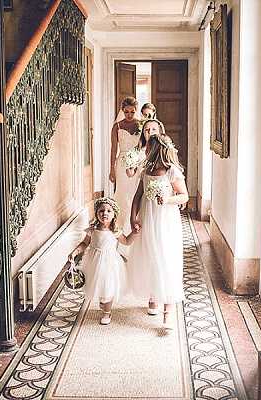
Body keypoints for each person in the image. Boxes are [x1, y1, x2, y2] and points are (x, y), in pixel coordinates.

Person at [129, 129, 189, 329]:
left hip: (165, 220)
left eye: (150, 148)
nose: (146, 151)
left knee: (166, 257)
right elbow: (138, 196)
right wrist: (132, 217)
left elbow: (184, 196)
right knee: (150, 255)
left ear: (157, 150)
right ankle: (153, 295)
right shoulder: (146, 171)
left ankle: (168, 310)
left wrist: (168, 199)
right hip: (148, 218)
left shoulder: (172, 171)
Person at [65, 197, 137, 325]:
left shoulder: (115, 231)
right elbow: (84, 243)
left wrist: (135, 233)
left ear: (114, 214)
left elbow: (126, 241)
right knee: (97, 283)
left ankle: (107, 313)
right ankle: (104, 300)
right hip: (94, 261)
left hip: (110, 263)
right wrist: (75, 252)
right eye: (101, 211)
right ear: (96, 213)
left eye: (109, 211)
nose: (105, 213)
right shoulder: (92, 230)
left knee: (108, 285)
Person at [110, 97, 141, 238]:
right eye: (127, 111)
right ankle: (121, 227)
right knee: (123, 193)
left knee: (136, 193)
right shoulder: (117, 126)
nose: (129, 115)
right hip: (122, 163)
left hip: (138, 163)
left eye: (132, 112)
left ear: (136, 111)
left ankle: (135, 224)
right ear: (122, 111)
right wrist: (111, 169)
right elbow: (113, 149)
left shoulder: (141, 125)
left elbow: (145, 146)